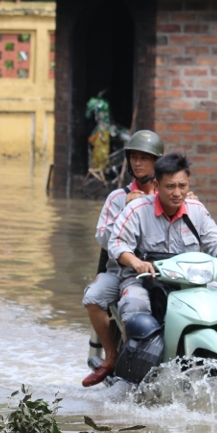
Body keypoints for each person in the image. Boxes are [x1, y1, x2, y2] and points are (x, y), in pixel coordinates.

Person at [105, 152, 217, 366]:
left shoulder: (197, 210)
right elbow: (117, 244)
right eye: (170, 186)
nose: (177, 193)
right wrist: (135, 262)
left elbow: (215, 240)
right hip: (143, 280)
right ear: (156, 185)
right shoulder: (137, 209)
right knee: (135, 310)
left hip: (191, 282)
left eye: (182, 186)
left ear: (189, 183)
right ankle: (131, 367)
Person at [81, 130, 163, 387]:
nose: (138, 163)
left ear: (157, 163)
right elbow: (104, 239)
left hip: (159, 272)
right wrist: (126, 209)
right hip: (120, 272)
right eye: (134, 158)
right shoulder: (117, 197)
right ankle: (113, 356)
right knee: (94, 297)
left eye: (145, 158)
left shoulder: (169, 197)